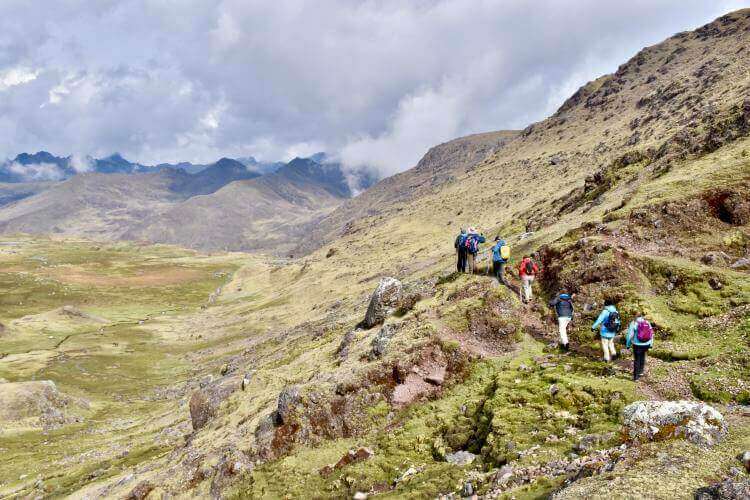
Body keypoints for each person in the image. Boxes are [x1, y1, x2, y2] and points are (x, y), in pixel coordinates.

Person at [626, 312, 654, 380]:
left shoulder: (634, 323)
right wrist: (651, 344)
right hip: (646, 344)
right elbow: (651, 333)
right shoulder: (647, 322)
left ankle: (636, 377)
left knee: (637, 359)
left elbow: (630, 335)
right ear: (641, 316)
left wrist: (628, 345)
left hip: (637, 344)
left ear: (635, 316)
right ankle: (641, 372)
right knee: (643, 356)